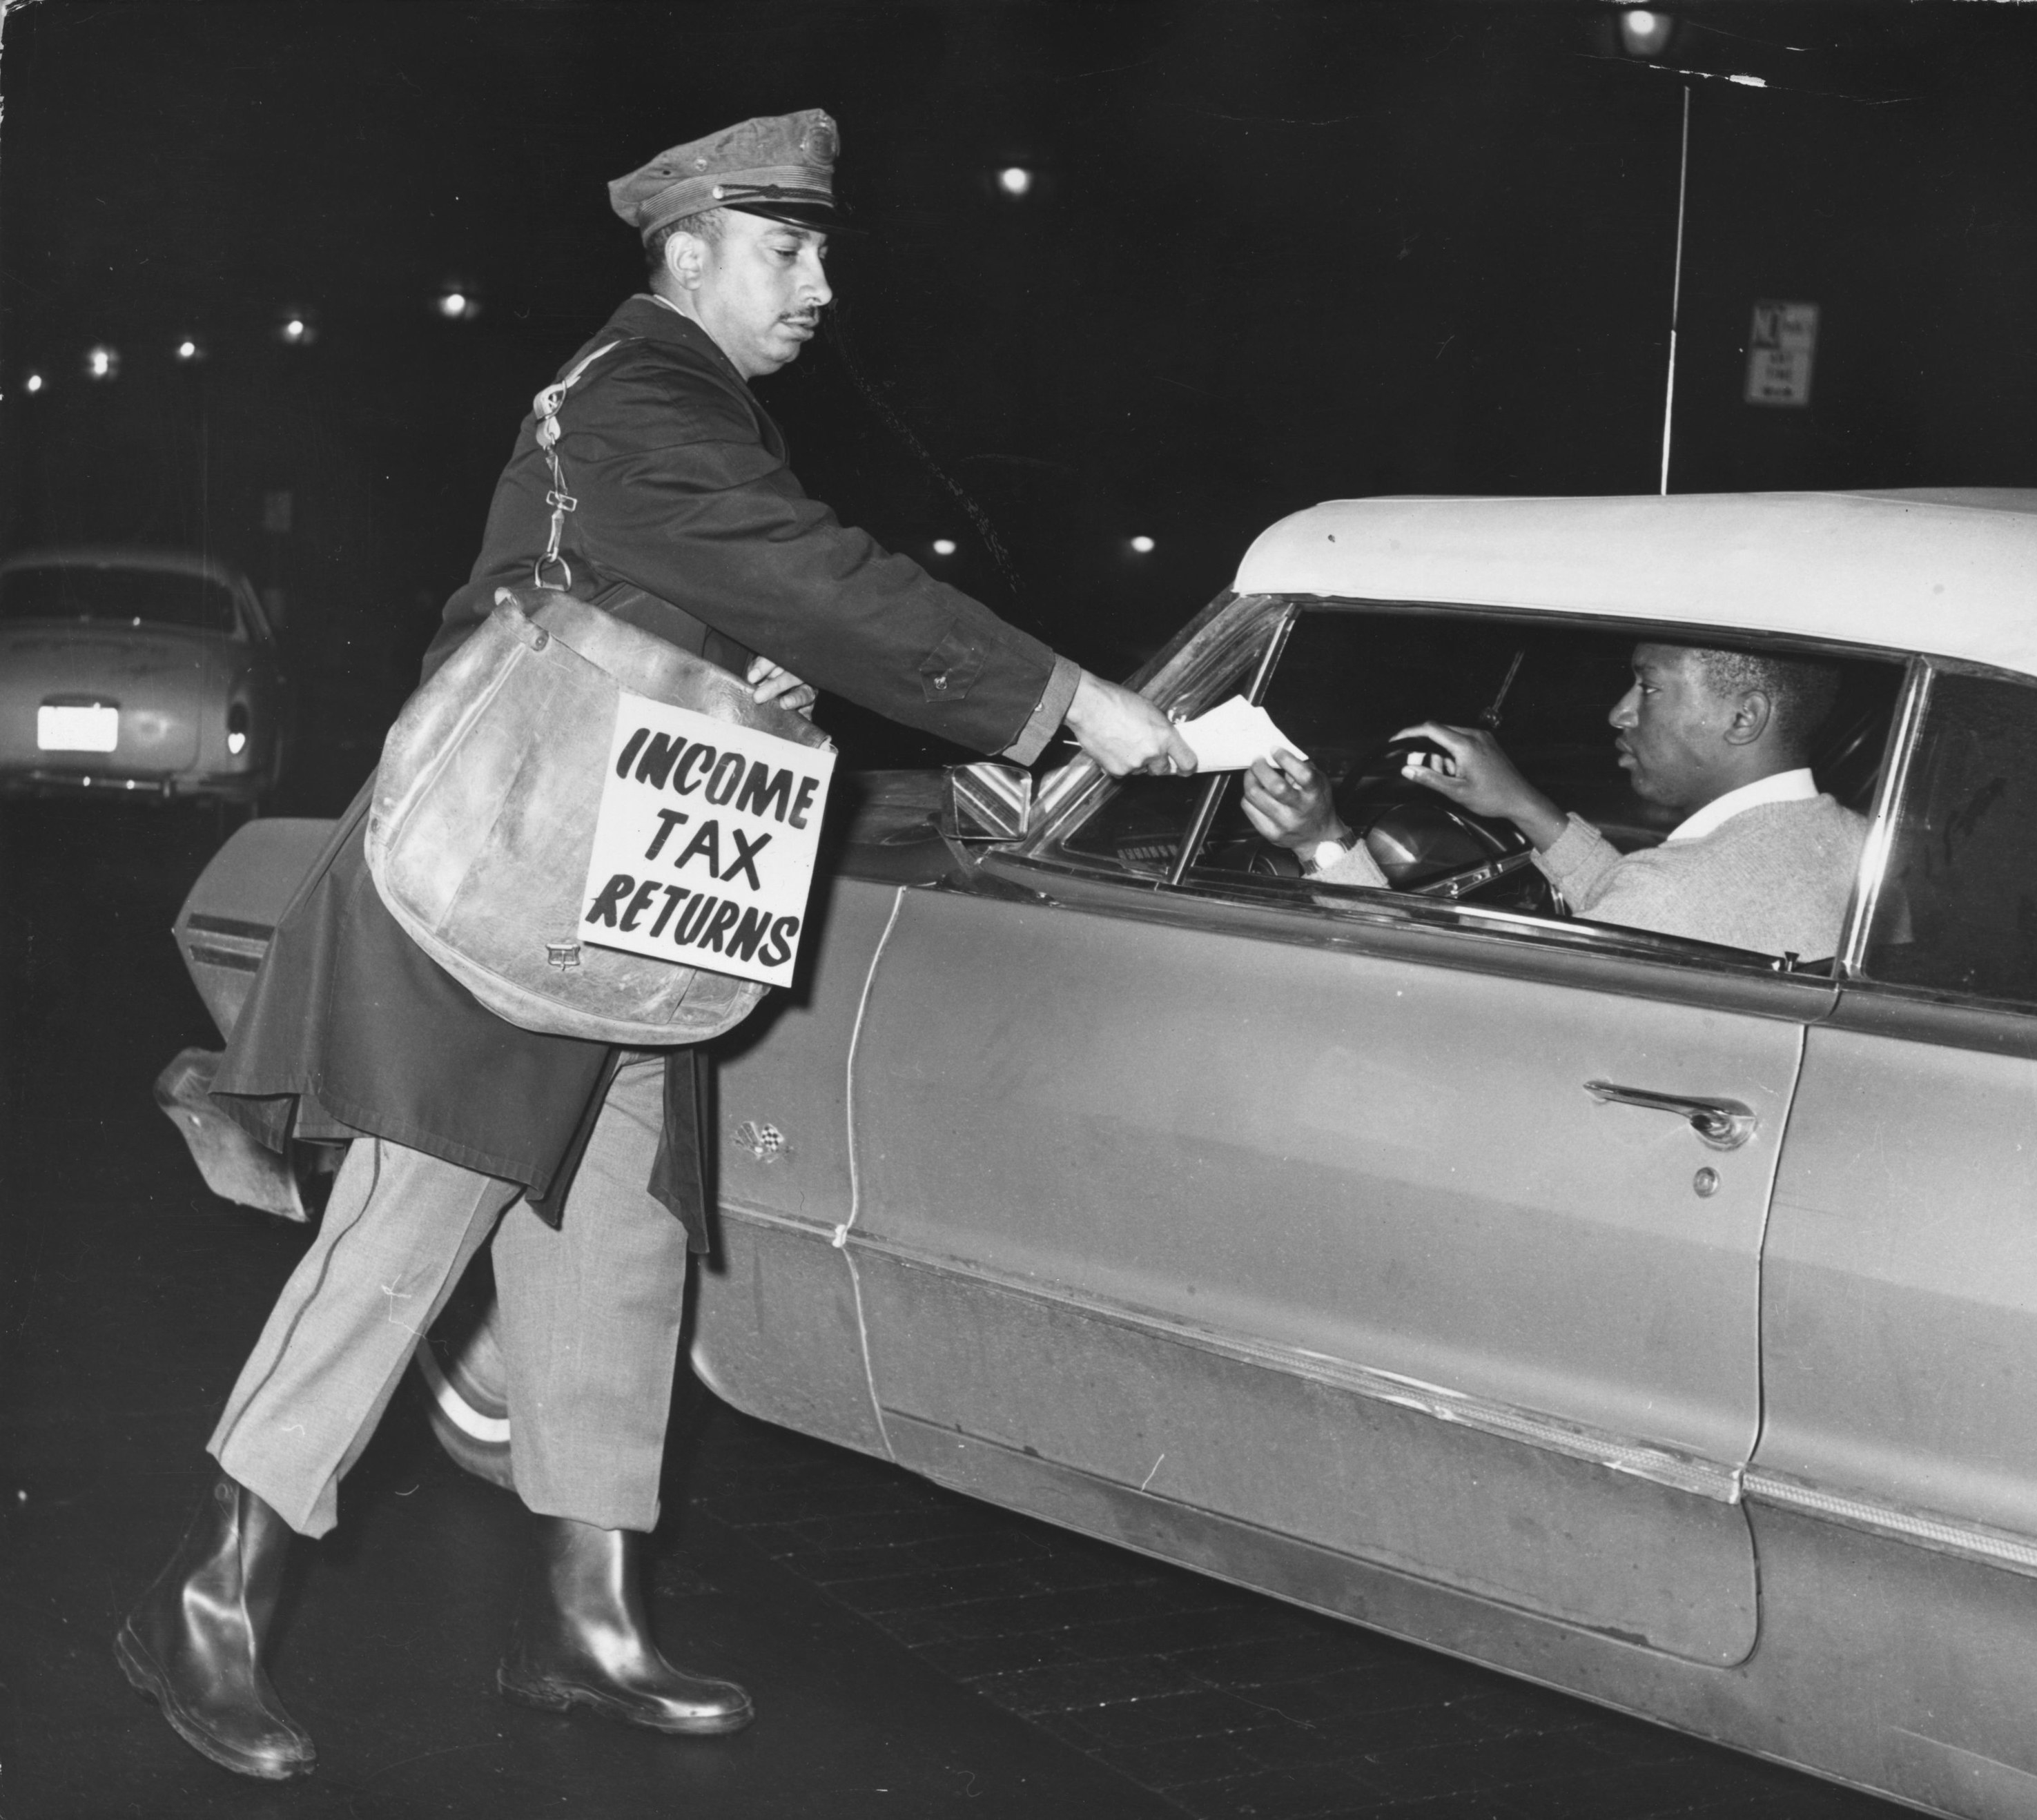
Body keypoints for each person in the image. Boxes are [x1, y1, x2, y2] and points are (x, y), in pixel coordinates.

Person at [115, 109, 1196, 1783]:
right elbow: (804, 573)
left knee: (617, 1246)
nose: (821, 282)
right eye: (791, 248)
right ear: (688, 249)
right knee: (404, 1237)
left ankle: (584, 1617)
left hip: (621, 897)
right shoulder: (641, 394)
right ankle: (205, 1599)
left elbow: (724, 605)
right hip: (510, 896)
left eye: (820, 247)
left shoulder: (690, 407)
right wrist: (1066, 701)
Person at [1240, 640, 1867, 959]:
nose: (1618, 711)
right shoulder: (1856, 841)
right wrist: (1522, 805)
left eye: (1648, 687)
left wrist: (1321, 840)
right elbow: (1648, 912)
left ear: (1743, 717)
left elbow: (1429, 1006)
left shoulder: (1673, 889)